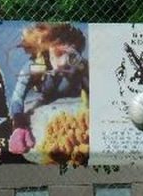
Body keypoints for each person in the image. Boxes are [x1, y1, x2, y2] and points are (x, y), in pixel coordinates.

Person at [8, 22, 89, 155]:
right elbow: (17, 97)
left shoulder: (81, 66)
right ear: (48, 48)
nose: (63, 62)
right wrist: (19, 126)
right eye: (59, 53)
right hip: (45, 103)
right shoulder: (33, 67)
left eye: (71, 56)